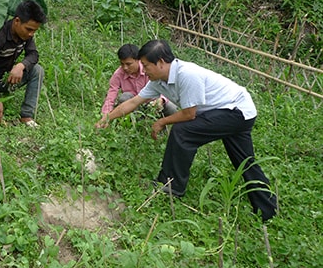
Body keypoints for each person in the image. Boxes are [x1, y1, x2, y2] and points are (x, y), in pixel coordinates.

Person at [96, 39, 277, 221]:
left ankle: (171, 186)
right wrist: (107, 118)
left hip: (236, 110)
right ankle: (267, 209)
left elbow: (190, 114)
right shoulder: (157, 81)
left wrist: (161, 122)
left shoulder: (187, 74)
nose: (144, 70)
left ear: (160, 62)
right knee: (244, 160)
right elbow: (133, 102)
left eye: (146, 65)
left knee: (183, 131)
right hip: (234, 111)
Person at [100, 43, 177, 119]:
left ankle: (161, 124)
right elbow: (111, 94)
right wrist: (106, 115)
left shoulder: (149, 70)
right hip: (132, 105)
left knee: (171, 107)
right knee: (125, 97)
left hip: (152, 103)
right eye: (122, 64)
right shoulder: (119, 74)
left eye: (128, 64)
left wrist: (161, 100)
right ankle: (134, 122)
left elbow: (163, 85)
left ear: (138, 60)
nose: (125, 67)